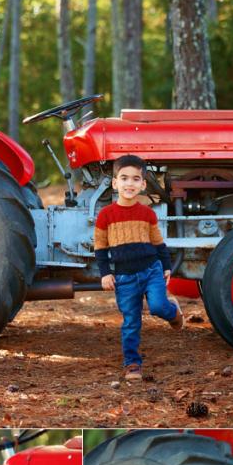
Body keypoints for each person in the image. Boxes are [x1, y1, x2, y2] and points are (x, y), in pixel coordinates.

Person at [95, 154, 184, 381]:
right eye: (124, 178)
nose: (129, 184)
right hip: (124, 277)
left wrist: (165, 266)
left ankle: (173, 313)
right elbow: (101, 248)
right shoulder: (106, 216)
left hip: (151, 270)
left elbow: (158, 243)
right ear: (115, 183)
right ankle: (132, 363)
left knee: (156, 307)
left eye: (135, 179)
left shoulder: (147, 214)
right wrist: (105, 273)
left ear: (143, 184)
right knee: (131, 321)